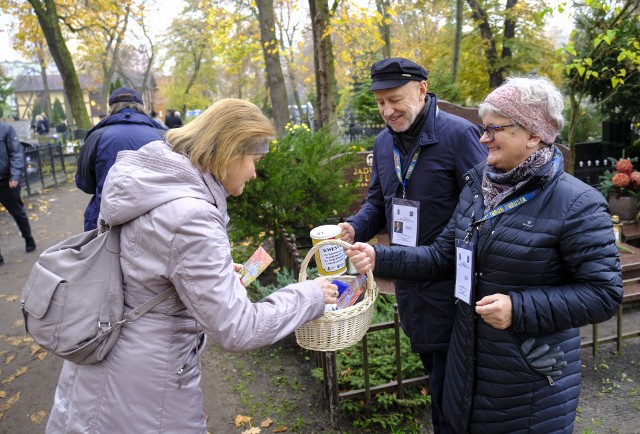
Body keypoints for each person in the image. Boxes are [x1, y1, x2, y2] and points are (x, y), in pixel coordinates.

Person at [346, 76, 623, 433]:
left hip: (528, 382)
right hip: (468, 365)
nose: (482, 138)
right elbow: (443, 256)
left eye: (494, 129)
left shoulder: (578, 203)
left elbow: (603, 295)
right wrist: (378, 257)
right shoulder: (480, 184)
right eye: (483, 127)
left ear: (533, 134)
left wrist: (518, 308)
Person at [46, 98, 340, 433]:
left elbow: (145, 268)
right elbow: (238, 328)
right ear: (231, 152)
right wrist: (309, 296)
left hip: (105, 361)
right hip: (146, 390)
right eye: (254, 161)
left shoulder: (150, 183)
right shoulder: (192, 216)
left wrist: (197, 279)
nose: (255, 173)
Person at [338, 57, 487, 433]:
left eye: (395, 100)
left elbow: (482, 208)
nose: (387, 110)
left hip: (453, 287)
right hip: (411, 284)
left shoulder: (459, 136)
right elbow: (379, 202)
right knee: (436, 381)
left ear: (421, 89)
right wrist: (354, 228)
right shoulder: (383, 141)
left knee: (451, 393)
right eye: (380, 102)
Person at [75, 86, 166, 231]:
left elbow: (84, 183)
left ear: (112, 108)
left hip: (106, 221)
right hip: (154, 222)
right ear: (141, 107)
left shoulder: (96, 137)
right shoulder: (162, 136)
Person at [0, 121, 36, 265]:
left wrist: (14, 175)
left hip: (6, 181)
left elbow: (16, 152)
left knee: (18, 213)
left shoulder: (5, 129)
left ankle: (28, 238)